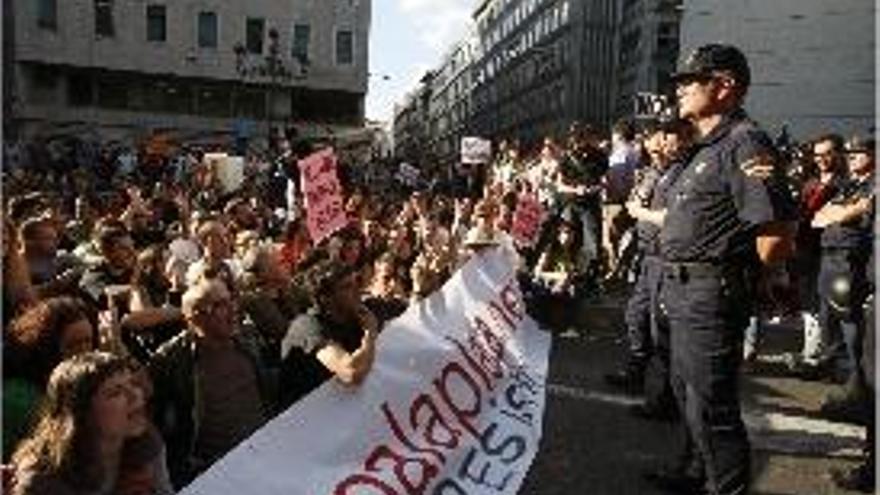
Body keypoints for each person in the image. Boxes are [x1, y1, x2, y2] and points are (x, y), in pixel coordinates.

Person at [648, 44, 795, 495]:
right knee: (688, 394)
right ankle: (694, 471)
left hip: (710, 291)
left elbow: (774, 233)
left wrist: (747, 279)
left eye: (691, 80)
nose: (680, 89)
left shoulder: (744, 142)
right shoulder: (703, 147)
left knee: (713, 407)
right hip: (680, 286)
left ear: (725, 85)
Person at [149, 278, 274, 488]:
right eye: (219, 306)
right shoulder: (171, 361)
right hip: (216, 473)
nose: (232, 310)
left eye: (230, 300)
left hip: (265, 449)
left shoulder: (248, 338)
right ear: (193, 318)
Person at [10, 351, 172, 495]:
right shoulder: (43, 482)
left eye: (132, 384)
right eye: (115, 392)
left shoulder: (146, 443)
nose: (135, 395)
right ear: (81, 413)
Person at [279, 256, 379, 409]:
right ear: (325, 298)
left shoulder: (358, 314)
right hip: (309, 417)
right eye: (347, 287)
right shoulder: (306, 326)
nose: (357, 290)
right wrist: (370, 334)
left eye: (357, 282)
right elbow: (351, 372)